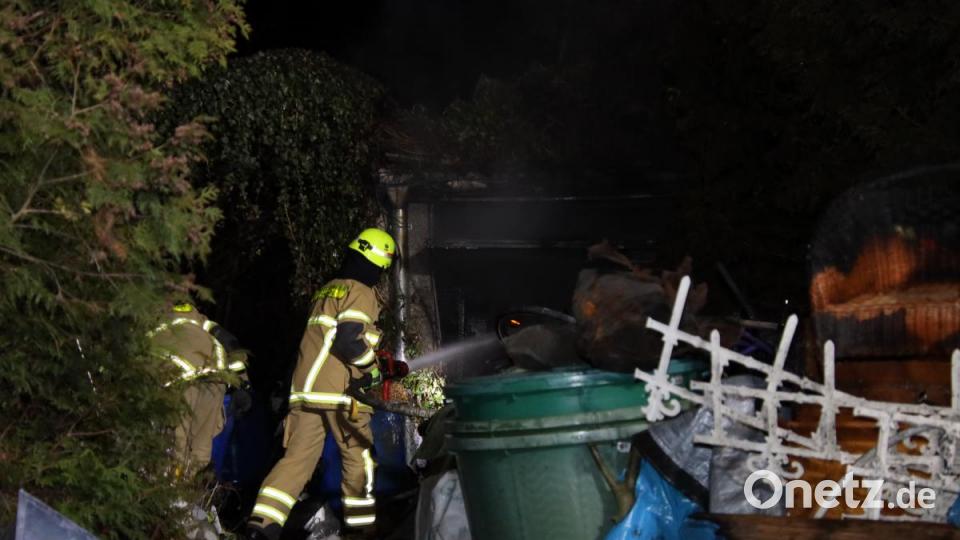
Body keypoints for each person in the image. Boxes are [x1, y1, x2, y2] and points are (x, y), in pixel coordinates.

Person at [246, 228, 396, 540]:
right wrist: (371, 372)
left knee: (297, 460)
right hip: (342, 394)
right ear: (378, 264)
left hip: (305, 392)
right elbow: (348, 339)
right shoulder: (361, 292)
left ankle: (262, 524)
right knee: (359, 457)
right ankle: (360, 529)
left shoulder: (327, 291)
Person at [150, 302, 250, 475]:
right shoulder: (201, 321)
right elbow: (233, 347)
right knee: (201, 445)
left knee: (177, 446)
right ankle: (189, 489)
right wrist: (243, 384)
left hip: (181, 377)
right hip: (216, 376)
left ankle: (171, 491)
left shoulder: (153, 321)